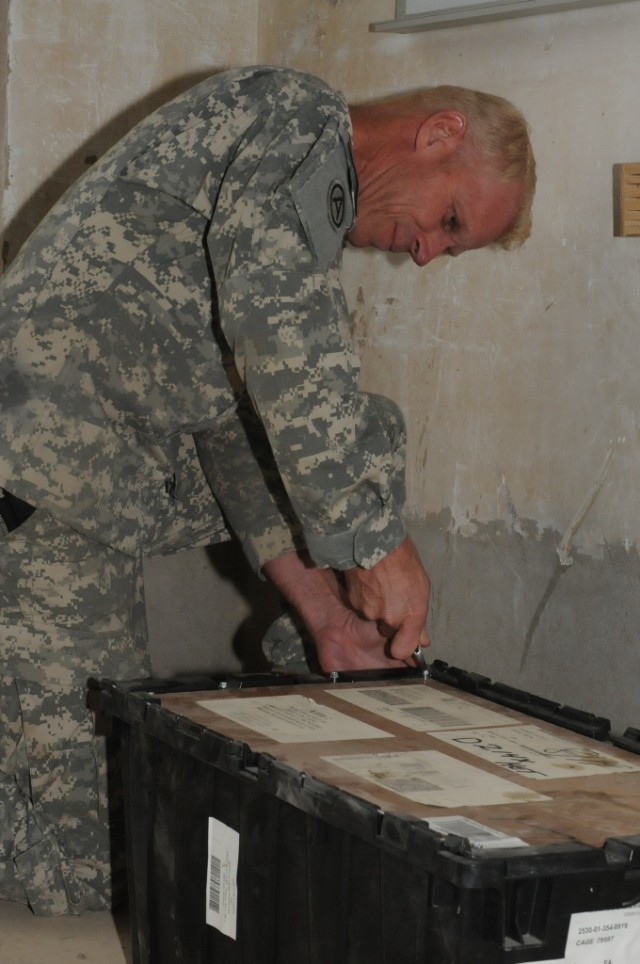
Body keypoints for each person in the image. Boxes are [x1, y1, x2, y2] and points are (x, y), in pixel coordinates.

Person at [0, 66, 535, 914]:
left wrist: (324, 609)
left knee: (361, 431)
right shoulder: (293, 114)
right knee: (104, 863)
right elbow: (286, 341)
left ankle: (324, 681)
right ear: (439, 136)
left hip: (87, 486)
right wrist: (371, 543)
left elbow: (232, 434)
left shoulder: (265, 206)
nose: (427, 252)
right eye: (449, 221)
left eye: (448, 247)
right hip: (31, 481)